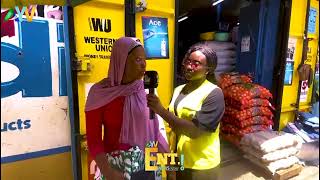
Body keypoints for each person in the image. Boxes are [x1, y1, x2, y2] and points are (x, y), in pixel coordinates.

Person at [85, 37, 169, 180]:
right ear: (121, 61)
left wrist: (171, 167)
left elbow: (158, 132)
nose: (143, 65)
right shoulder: (99, 93)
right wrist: (108, 172)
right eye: (137, 60)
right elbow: (94, 140)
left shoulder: (147, 91)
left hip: (148, 164)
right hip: (115, 167)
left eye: (144, 60)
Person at [147, 43, 225, 180]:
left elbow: (195, 131)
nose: (189, 66)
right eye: (188, 61)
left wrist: (160, 110)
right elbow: (171, 123)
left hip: (201, 166)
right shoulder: (179, 89)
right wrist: (171, 166)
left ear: (207, 70)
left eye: (196, 64)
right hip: (179, 159)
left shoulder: (214, 94)